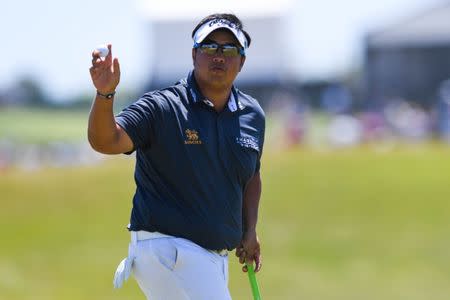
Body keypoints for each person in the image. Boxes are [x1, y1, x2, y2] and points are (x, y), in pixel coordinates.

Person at [88, 13, 265, 300]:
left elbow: (251, 175)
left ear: (242, 61)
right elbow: (105, 140)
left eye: (229, 49)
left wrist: (250, 229)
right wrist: (105, 95)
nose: (219, 56)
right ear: (194, 55)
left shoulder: (251, 114)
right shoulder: (163, 107)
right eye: (209, 47)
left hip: (213, 259)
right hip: (167, 251)